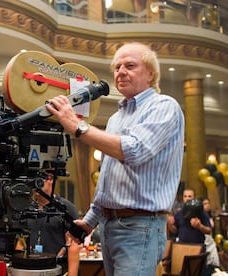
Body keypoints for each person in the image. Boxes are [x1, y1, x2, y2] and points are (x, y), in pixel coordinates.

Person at [45, 42, 185, 275]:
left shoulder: (164, 106)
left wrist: (78, 127)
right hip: (110, 226)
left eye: (130, 65)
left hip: (140, 226)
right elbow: (108, 178)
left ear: (151, 74)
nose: (121, 71)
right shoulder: (115, 119)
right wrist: (90, 221)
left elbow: (135, 151)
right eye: (117, 67)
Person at [25, 171, 80, 275]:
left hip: (57, 269)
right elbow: (20, 242)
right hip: (31, 269)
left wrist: (72, 274)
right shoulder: (27, 208)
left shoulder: (66, 208)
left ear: (50, 180)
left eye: (39, 180)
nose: (35, 184)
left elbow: (74, 244)